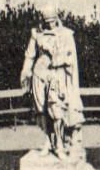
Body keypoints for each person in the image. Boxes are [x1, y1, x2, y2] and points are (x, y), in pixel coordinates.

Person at [20, 11, 86, 161]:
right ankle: (47, 142)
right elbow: (30, 55)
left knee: (56, 111)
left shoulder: (66, 34)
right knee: (41, 110)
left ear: (56, 19)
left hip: (56, 75)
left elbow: (71, 58)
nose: (49, 24)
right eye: (46, 21)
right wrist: (25, 70)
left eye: (52, 20)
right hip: (39, 74)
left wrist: (62, 62)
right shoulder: (36, 33)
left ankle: (59, 144)